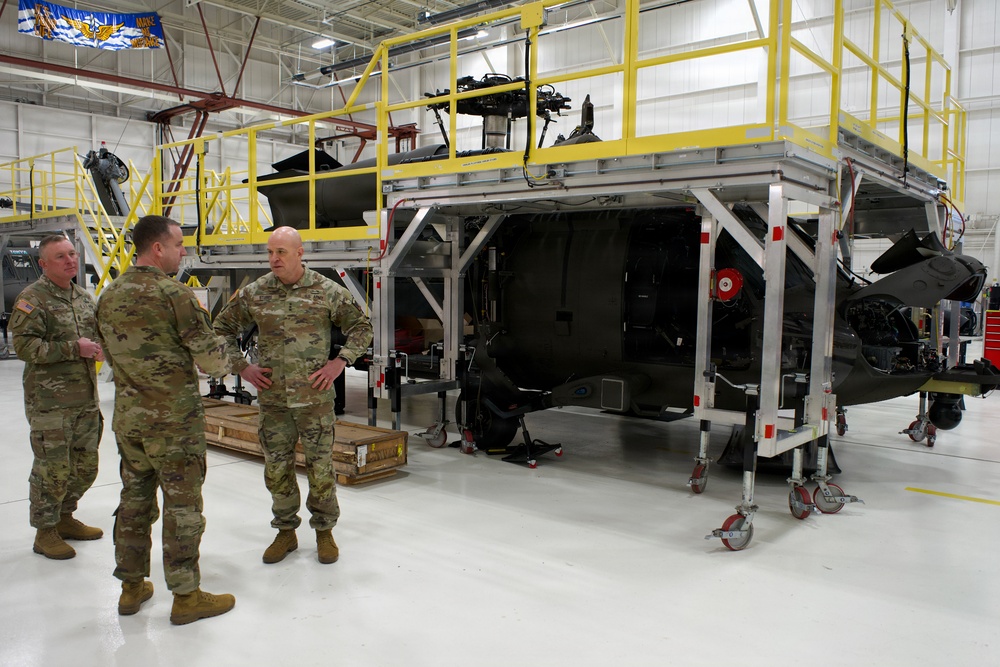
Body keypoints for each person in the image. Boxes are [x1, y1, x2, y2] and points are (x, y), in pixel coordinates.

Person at [96, 215, 235, 625]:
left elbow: (105, 351)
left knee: (134, 501)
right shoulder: (175, 294)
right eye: (178, 244)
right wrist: (229, 357)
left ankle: (131, 587)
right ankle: (186, 595)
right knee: (182, 507)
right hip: (173, 425)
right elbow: (211, 362)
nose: (183, 251)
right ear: (157, 248)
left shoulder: (109, 295)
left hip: (130, 422)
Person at [214, 226, 373, 565]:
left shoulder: (326, 290)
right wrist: (242, 367)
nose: (274, 259)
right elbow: (221, 329)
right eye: (270, 252)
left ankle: (324, 531)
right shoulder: (255, 292)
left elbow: (361, 327)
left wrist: (339, 363)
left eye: (281, 252)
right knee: (276, 468)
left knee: (321, 468)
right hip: (273, 402)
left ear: (300, 253)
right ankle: (285, 531)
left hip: (314, 400)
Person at [10, 235, 104, 560]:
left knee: (86, 466)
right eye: (60, 256)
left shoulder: (83, 297)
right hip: (50, 404)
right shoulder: (32, 299)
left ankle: (65, 518)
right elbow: (24, 347)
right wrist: (72, 349)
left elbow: (97, 336)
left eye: (72, 254)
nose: (70, 260)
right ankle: (44, 531)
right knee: (52, 470)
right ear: (44, 264)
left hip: (85, 400)